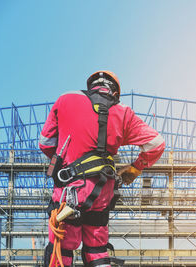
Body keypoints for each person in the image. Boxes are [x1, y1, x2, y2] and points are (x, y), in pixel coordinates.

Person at [39, 70, 165, 267]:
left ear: (91, 86)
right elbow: (156, 144)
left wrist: (67, 158)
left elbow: (46, 143)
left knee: (62, 248)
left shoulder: (65, 100)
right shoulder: (123, 112)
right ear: (114, 92)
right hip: (101, 190)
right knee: (97, 250)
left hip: (69, 188)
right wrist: (135, 168)